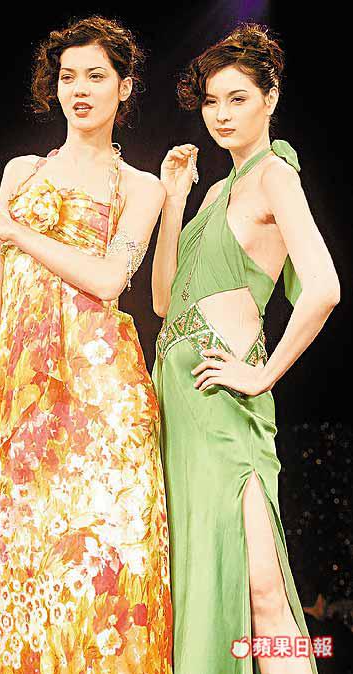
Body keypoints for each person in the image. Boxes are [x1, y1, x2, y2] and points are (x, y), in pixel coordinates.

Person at [0, 16, 173, 673]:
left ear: (125, 87)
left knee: (102, 579)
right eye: (68, 77)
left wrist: (14, 230)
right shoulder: (22, 171)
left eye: (96, 76)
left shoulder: (142, 187)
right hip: (22, 391)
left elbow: (110, 279)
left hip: (104, 400)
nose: (80, 90)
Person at [151, 22, 340, 674]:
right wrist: (173, 201)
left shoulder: (274, 175)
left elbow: (324, 287)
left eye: (237, 98)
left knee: (261, 592)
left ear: (270, 97)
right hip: (178, 408)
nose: (221, 115)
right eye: (211, 101)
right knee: (196, 587)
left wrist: (263, 376)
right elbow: (162, 300)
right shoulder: (213, 192)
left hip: (226, 407)